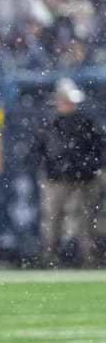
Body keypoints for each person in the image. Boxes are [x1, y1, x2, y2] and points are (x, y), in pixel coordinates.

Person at [32, 78, 104, 268]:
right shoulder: (48, 124)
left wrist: (87, 167)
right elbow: (38, 151)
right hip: (56, 179)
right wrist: (51, 169)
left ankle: (89, 258)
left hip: (84, 178)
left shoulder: (86, 123)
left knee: (86, 219)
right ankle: (50, 258)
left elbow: (97, 149)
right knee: (53, 219)